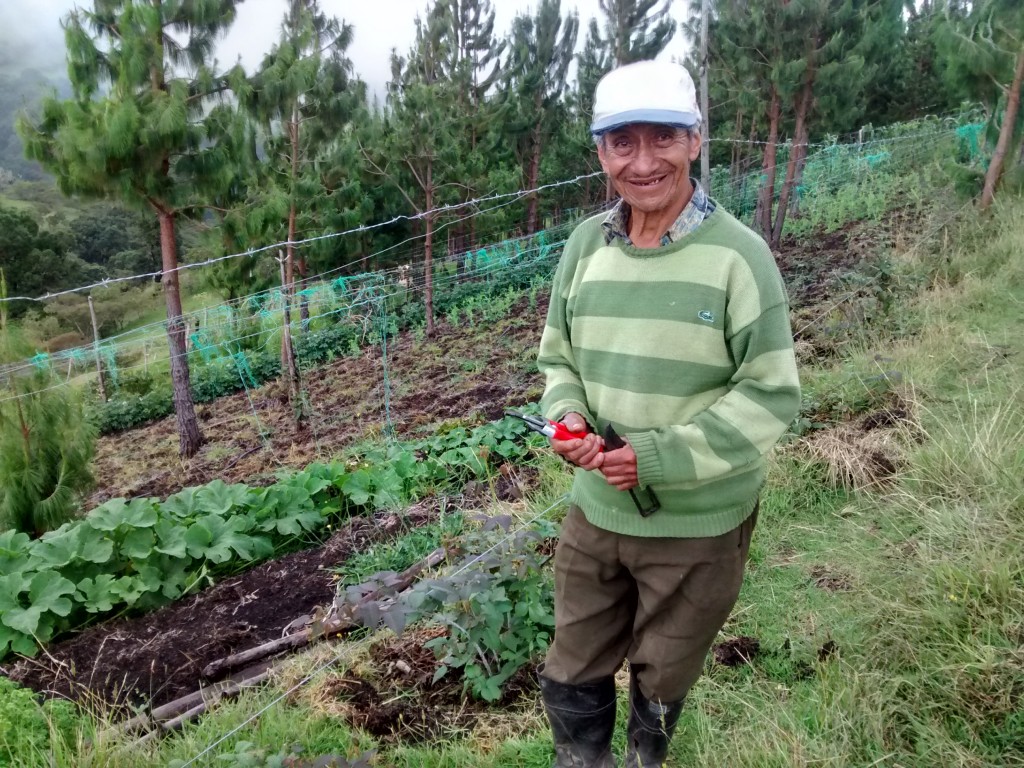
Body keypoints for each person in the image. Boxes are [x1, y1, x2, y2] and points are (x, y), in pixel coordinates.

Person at [536, 59, 802, 768]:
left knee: (663, 674)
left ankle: (643, 760)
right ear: (600, 152)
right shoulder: (584, 248)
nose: (643, 161)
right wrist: (566, 418)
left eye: (664, 138)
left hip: (699, 525)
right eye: (623, 142)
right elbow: (557, 358)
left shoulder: (740, 260)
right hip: (595, 512)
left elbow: (772, 394)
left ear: (695, 141)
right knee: (572, 666)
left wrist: (656, 456)